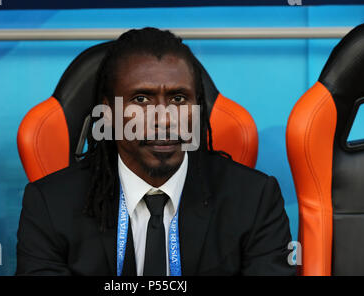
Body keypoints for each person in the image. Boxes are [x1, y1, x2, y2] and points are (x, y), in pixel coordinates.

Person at [16, 27, 295, 276]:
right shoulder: (49, 204)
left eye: (178, 98)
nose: (164, 119)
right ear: (109, 112)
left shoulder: (255, 198)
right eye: (141, 99)